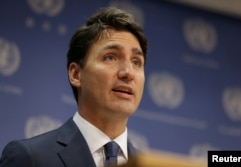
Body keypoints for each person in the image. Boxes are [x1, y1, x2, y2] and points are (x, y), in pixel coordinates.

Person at [0, 6, 147, 167]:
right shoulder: (30, 157)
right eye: (111, 57)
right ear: (76, 74)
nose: (128, 72)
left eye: (136, 62)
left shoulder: (150, 164)